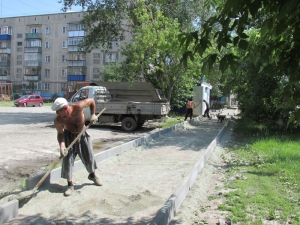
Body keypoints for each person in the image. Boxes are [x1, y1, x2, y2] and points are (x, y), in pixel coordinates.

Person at [51, 97, 101, 197]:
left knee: (89, 157)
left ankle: (92, 176)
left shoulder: (78, 107)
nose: (57, 113)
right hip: (68, 136)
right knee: (68, 161)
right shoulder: (58, 119)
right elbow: (60, 134)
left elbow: (91, 101)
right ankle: (70, 185)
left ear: (65, 108)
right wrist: (62, 146)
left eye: (59, 111)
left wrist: (93, 115)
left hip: (82, 133)